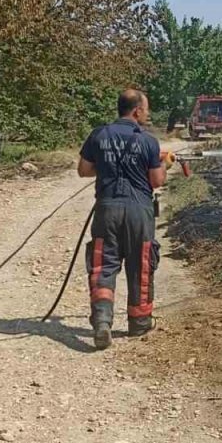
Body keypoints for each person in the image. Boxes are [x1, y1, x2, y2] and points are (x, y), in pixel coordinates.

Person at [77, 88, 167, 349]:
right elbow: (156, 180)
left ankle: (103, 321)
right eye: (146, 109)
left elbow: (83, 170)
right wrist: (164, 164)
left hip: (107, 209)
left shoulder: (100, 134)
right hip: (139, 211)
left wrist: (107, 165)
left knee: (103, 265)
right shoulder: (148, 141)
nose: (147, 114)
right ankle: (139, 324)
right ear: (137, 110)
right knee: (141, 264)